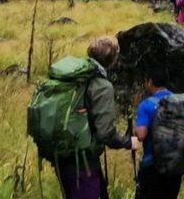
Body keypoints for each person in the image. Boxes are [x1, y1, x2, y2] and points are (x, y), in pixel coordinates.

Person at [55, 37, 139, 199]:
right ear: (112, 60)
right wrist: (127, 142)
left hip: (61, 153)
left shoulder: (75, 77)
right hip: (83, 160)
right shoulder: (101, 86)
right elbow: (105, 133)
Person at [134, 70, 181, 199]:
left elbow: (141, 135)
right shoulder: (179, 102)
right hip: (175, 164)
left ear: (150, 82)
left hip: (152, 164)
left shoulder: (146, 105)